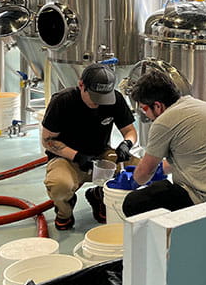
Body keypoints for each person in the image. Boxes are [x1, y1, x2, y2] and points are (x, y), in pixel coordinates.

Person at [121, 69, 206, 217]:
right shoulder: (197, 105)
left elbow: (144, 173)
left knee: (133, 203)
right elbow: (192, 157)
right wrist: (161, 169)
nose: (146, 115)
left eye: (144, 109)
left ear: (157, 106)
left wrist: (130, 182)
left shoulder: (164, 122)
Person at [41, 63, 137, 230]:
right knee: (60, 184)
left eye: (103, 98)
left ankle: (99, 195)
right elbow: (48, 140)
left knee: (140, 170)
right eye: (94, 97)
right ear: (81, 85)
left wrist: (126, 144)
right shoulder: (62, 101)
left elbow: (129, 130)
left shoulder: (115, 99)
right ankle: (65, 209)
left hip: (101, 154)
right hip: (67, 157)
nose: (98, 103)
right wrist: (77, 156)